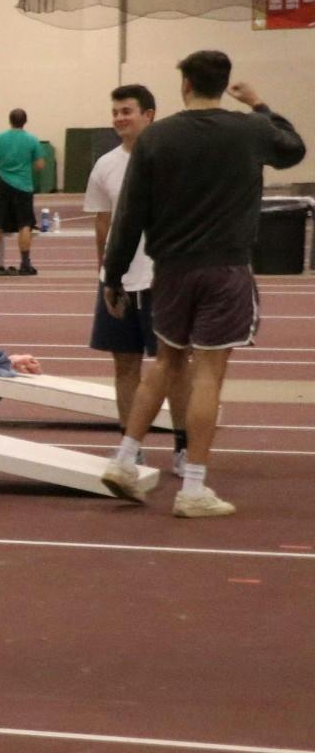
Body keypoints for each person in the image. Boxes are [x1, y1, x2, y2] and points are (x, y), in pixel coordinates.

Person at [102, 52, 305, 517]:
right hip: (225, 268)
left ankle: (125, 459)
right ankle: (193, 487)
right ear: (224, 84)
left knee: (166, 361)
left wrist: (113, 276)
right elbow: (294, 148)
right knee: (209, 372)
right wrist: (259, 105)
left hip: (170, 269)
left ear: (185, 85)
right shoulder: (251, 130)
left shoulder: (156, 136)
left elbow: (130, 212)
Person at [85, 84, 190, 470]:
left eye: (127, 111)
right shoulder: (105, 166)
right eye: (115, 112)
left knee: (175, 364)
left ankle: (183, 446)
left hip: (163, 278)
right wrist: (105, 277)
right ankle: (132, 447)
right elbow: (102, 224)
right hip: (120, 281)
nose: (119, 118)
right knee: (124, 364)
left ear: (149, 114)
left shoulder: (172, 160)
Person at [0, 108, 41, 275]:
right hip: (24, 186)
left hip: (4, 184)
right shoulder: (32, 140)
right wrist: (27, 166)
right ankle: (25, 262)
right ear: (25, 121)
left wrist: (0, 165)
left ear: (10, 120)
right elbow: (40, 165)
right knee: (25, 224)